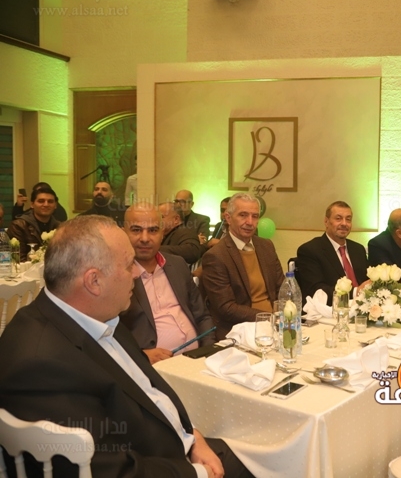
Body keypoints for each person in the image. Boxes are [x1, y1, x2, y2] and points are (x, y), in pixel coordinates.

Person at [0, 215, 253, 477]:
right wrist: (199, 473)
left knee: (261, 450)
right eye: (128, 264)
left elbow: (150, 392)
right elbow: (110, 471)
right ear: (94, 281)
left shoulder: (98, 316)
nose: (136, 273)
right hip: (161, 466)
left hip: (174, 447)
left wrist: (193, 435)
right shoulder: (42, 364)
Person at [120, 203, 215, 364]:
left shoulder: (177, 264)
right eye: (136, 230)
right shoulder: (115, 274)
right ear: (123, 232)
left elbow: (202, 316)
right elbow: (104, 333)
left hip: (196, 362)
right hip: (150, 368)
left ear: (162, 233)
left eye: (153, 230)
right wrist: (139, 356)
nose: (145, 238)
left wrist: (208, 353)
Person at [201, 193, 284, 340]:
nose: (250, 222)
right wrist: (268, 317)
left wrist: (284, 315)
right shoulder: (216, 256)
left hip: (276, 326)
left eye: (255, 216)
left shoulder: (266, 246)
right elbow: (226, 308)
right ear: (228, 218)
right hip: (241, 330)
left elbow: (282, 288)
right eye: (243, 215)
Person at [295, 201, 369, 304]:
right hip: (331, 309)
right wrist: (355, 292)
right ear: (326, 222)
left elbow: (366, 282)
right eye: (338, 218)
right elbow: (316, 290)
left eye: (348, 219)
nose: (344, 223)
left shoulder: (358, 249)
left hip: (364, 308)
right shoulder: (310, 250)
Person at [8, 184, 62, 261]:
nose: (46, 204)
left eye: (50, 201)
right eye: (41, 201)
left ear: (55, 205)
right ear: (32, 204)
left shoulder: (60, 227)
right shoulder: (18, 226)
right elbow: (18, 259)